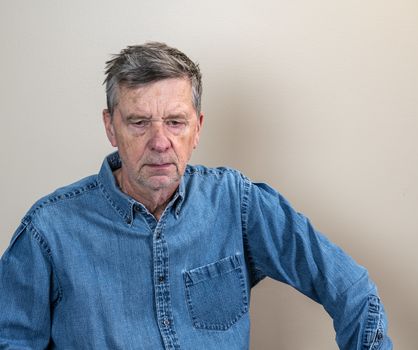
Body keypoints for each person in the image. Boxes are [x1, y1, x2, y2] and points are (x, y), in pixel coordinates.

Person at [0, 42, 392, 350]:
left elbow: (350, 288)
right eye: (139, 122)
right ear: (110, 126)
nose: (160, 142)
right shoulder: (49, 231)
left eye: (175, 122)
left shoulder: (236, 203)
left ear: (197, 128)